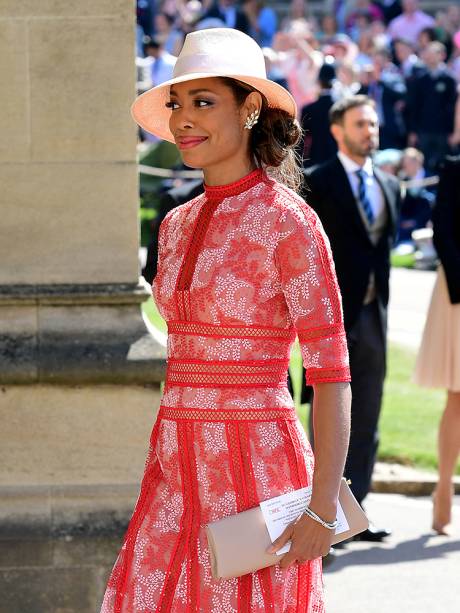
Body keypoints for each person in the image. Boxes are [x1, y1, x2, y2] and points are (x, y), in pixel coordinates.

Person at [101, 28, 351, 612]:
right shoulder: (176, 222)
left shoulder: (290, 223)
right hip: (174, 458)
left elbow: (332, 372)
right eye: (177, 104)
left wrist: (321, 507)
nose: (184, 119)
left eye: (203, 101)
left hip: (258, 467)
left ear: (250, 108)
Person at [302, 95, 401, 541]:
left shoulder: (388, 185)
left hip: (373, 315)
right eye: (361, 124)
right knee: (326, 418)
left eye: (374, 125)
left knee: (368, 416)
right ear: (338, 130)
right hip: (330, 319)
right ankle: (318, 515)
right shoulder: (315, 183)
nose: (370, 132)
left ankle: (355, 514)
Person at [413, 155, 460, 535]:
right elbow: (443, 230)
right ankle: (443, 486)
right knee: (457, 396)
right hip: (458, 293)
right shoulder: (454, 167)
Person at [406, 42, 458, 174]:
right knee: (425, 164)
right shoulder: (420, 79)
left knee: (444, 164)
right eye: (427, 54)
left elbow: (453, 108)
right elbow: (414, 106)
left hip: (443, 132)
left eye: (432, 54)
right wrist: (413, 130)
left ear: (442, 55)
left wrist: (454, 132)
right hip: (424, 130)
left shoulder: (449, 79)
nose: (429, 57)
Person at [299, 62, 338, 167]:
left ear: (319, 82)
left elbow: (302, 141)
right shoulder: (341, 108)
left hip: (314, 160)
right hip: (337, 160)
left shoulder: (309, 109)